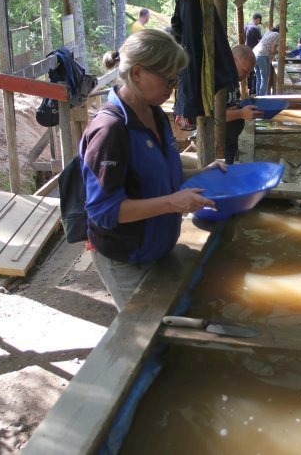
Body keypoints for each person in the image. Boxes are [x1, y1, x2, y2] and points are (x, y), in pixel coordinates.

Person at [83, 30, 225, 310]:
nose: (172, 88)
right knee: (144, 331)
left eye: (176, 80)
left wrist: (203, 173)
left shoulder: (156, 114)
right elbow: (103, 211)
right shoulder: (109, 131)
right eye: (167, 79)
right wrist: (173, 203)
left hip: (157, 246)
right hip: (126, 257)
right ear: (137, 73)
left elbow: (160, 178)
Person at [223, 44, 261, 164]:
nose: (248, 75)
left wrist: (242, 106)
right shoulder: (219, 81)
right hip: (218, 143)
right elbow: (212, 116)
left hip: (231, 139)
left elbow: (230, 105)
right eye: (245, 70)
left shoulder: (233, 80)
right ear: (233, 60)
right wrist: (240, 113)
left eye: (250, 71)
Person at [253, 26, 281, 96]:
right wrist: (282, 52)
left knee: (258, 78)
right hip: (262, 55)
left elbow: (267, 46)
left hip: (254, 53)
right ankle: (261, 99)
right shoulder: (278, 35)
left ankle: (258, 97)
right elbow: (273, 50)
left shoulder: (269, 32)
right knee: (264, 79)